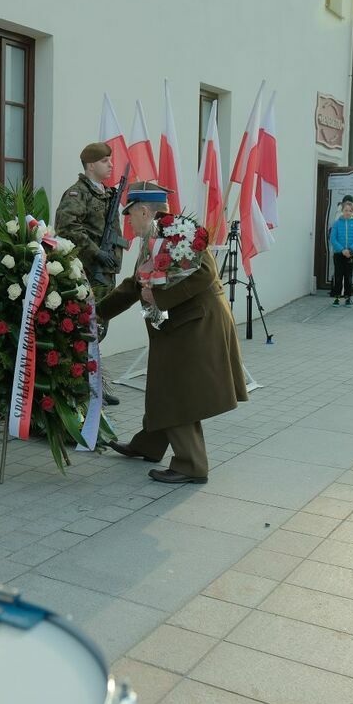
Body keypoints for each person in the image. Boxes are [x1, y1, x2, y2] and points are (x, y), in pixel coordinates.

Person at [98, 184, 248, 484]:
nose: (128, 223)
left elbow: (206, 273)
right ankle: (149, 445)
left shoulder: (180, 231)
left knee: (179, 392)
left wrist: (161, 298)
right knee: (162, 386)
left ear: (144, 211)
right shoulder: (152, 238)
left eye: (130, 216)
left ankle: (191, 464)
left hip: (198, 324)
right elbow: (133, 284)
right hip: (178, 325)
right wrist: (97, 312)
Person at [55, 142, 122, 406]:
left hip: (105, 274)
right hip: (87, 275)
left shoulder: (106, 194)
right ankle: (77, 390)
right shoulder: (77, 194)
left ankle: (93, 385)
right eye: (106, 161)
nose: (111, 165)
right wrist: (95, 252)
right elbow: (66, 227)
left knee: (98, 331)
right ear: (91, 165)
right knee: (84, 332)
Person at [329, 195, 353, 306]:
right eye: (345, 210)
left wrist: (351, 249)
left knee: (348, 277)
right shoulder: (337, 223)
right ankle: (337, 297)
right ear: (342, 210)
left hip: (350, 254)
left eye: (350, 210)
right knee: (338, 276)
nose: (348, 212)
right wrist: (342, 250)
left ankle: (348, 297)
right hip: (339, 254)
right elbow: (333, 238)